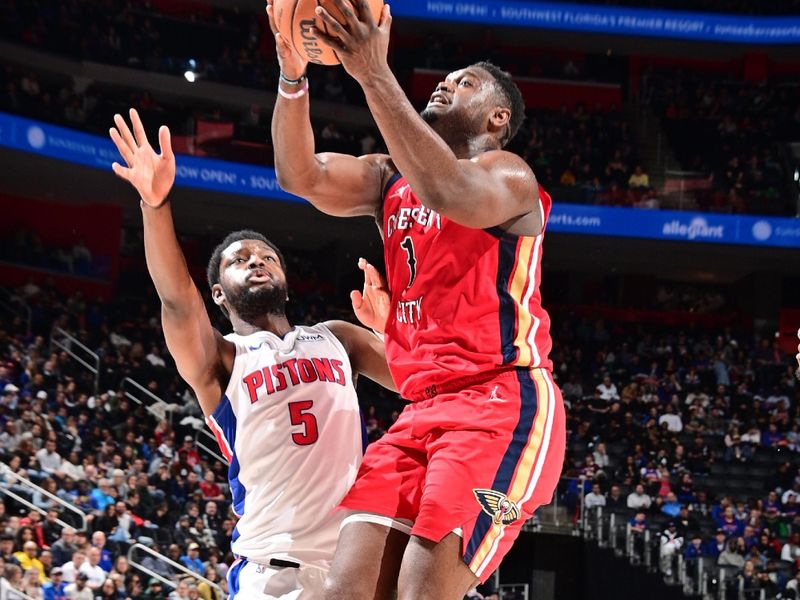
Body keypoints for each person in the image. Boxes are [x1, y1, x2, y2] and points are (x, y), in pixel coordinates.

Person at [268, 2, 566, 597]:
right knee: (344, 589)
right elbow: (299, 175)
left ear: (497, 116)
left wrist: (374, 73)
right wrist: (292, 74)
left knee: (420, 592)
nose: (447, 84)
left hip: (500, 405)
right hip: (420, 411)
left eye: (467, 83)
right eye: (446, 78)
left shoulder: (510, 177)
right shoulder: (388, 179)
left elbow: (447, 189)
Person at [109, 109, 395, 599]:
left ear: (285, 277)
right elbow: (177, 299)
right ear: (219, 294)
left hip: (356, 570)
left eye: (267, 257)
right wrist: (155, 206)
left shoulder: (339, 337)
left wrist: (394, 331)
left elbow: (421, 380)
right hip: (276, 574)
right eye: (239, 261)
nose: (256, 262)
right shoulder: (220, 358)